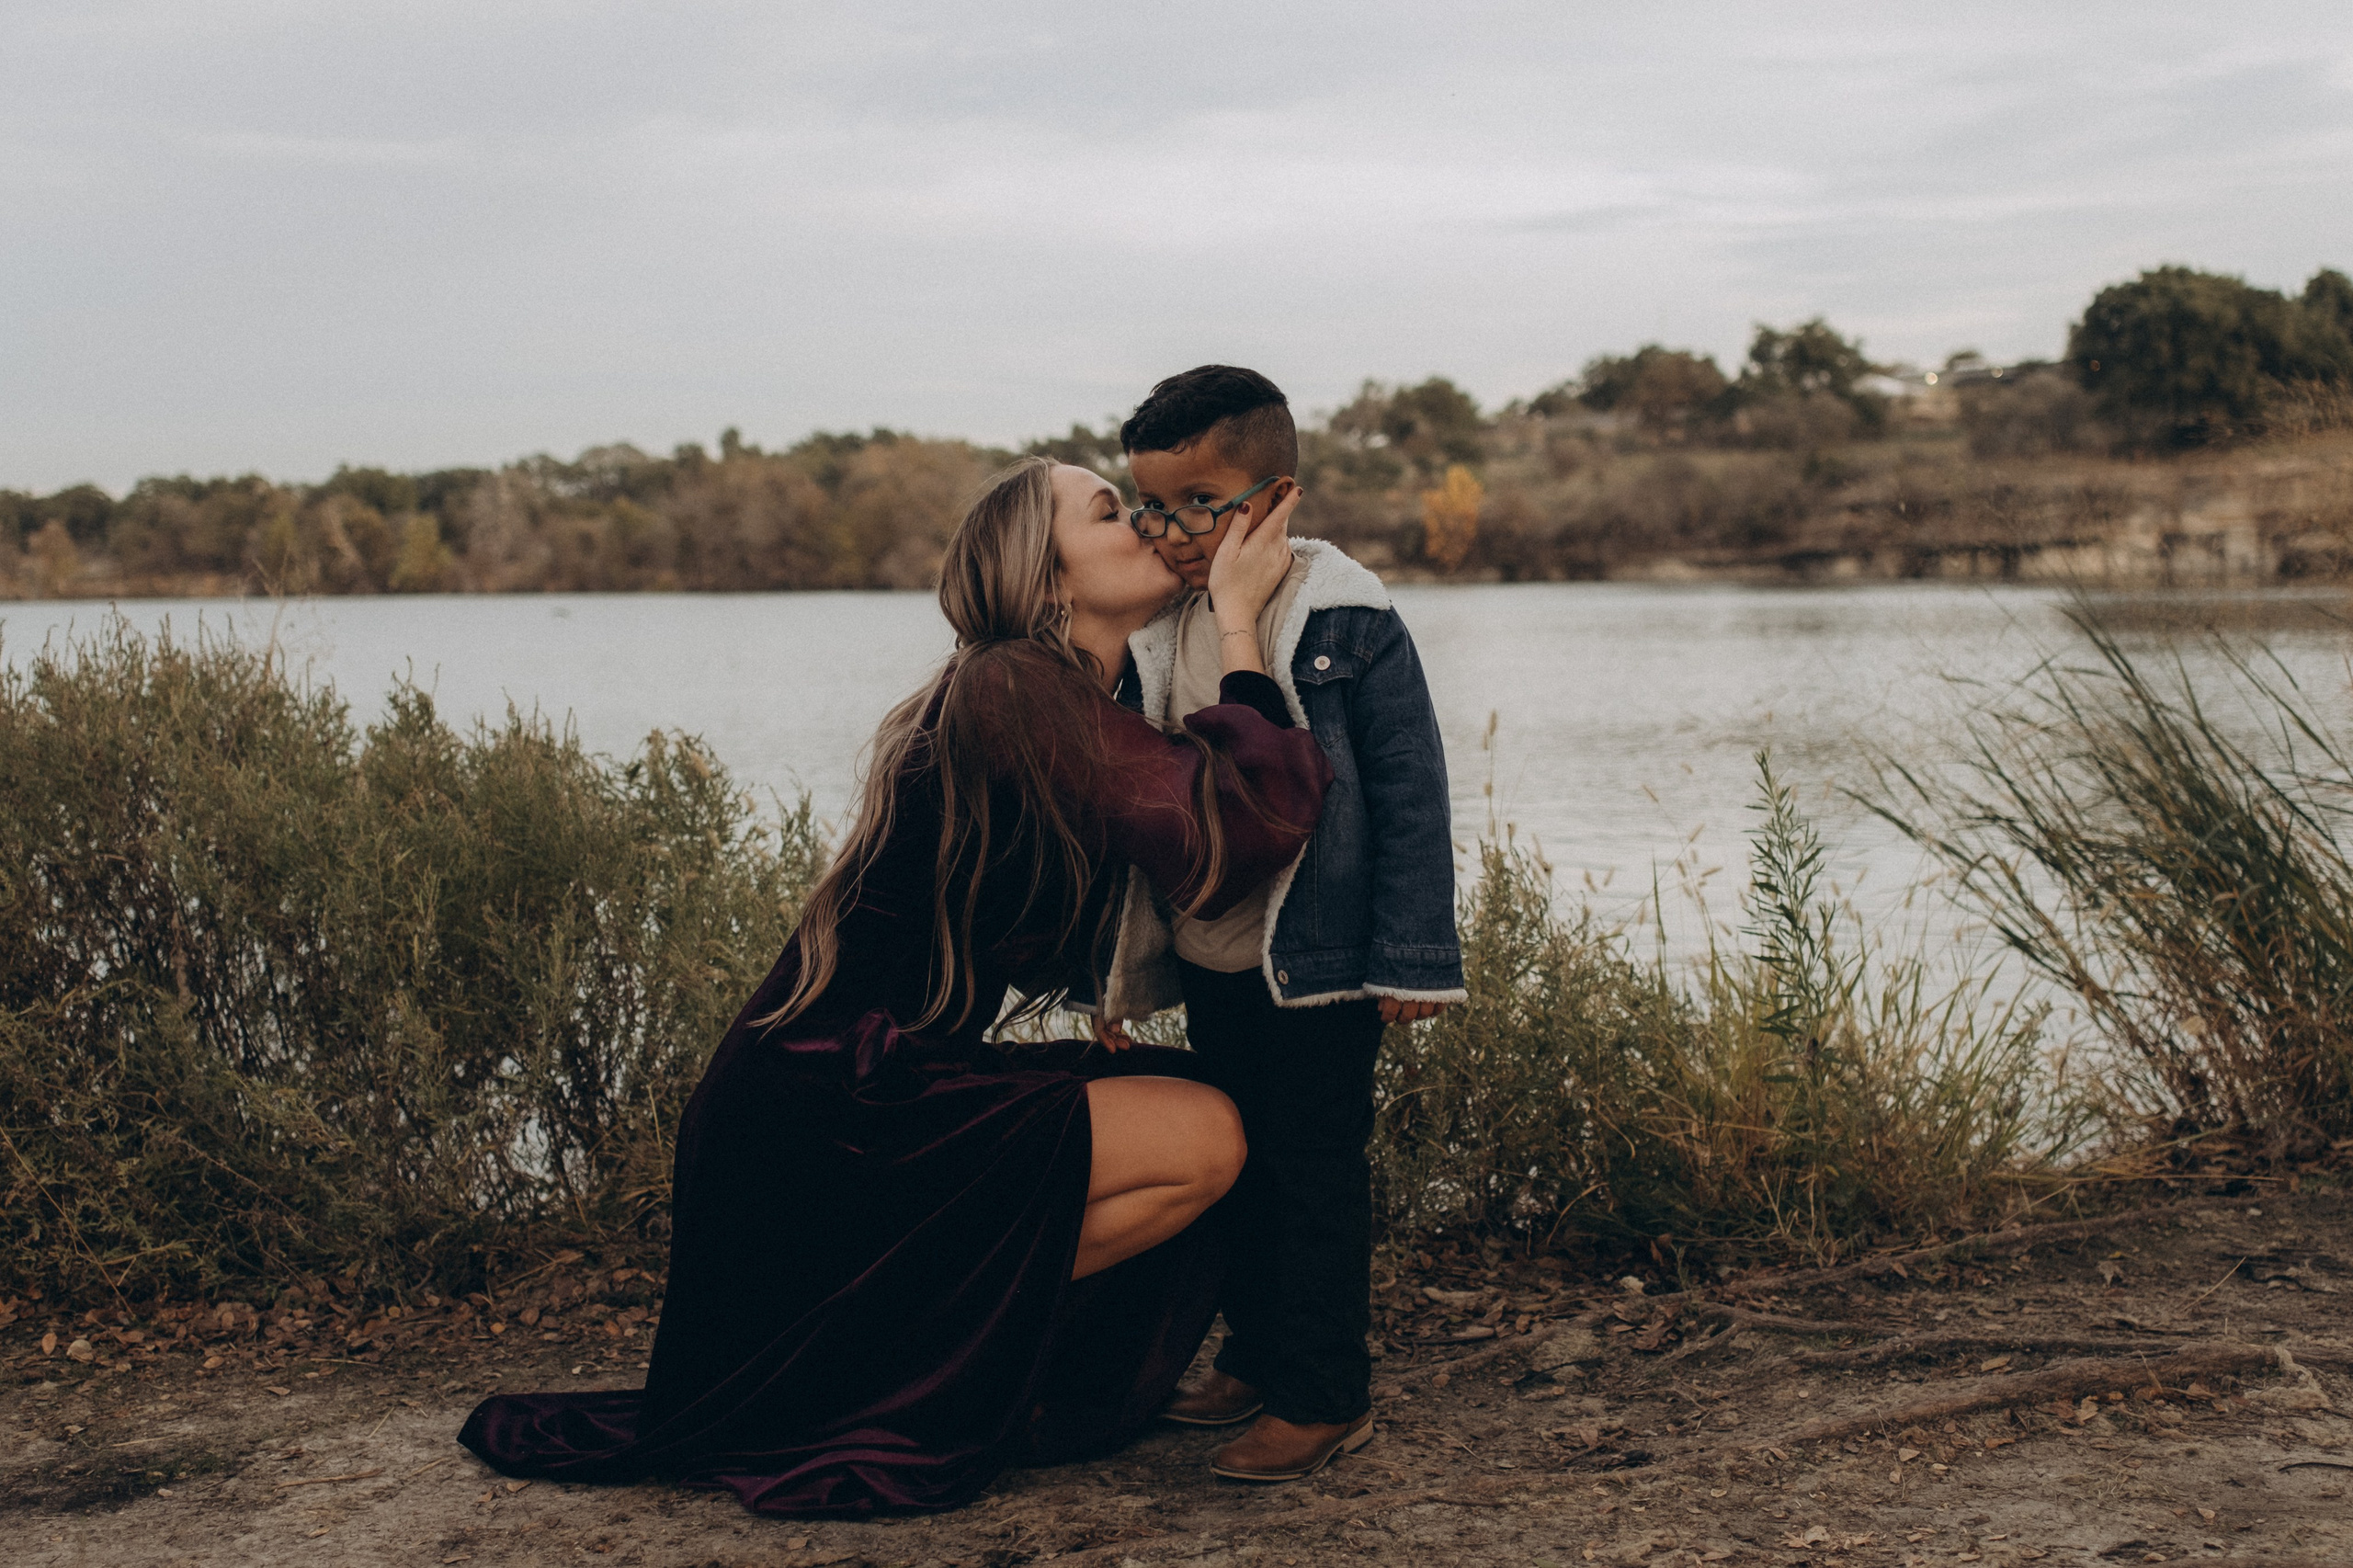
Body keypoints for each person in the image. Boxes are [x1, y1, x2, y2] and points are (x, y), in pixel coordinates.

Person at [459, 455, 1332, 1517]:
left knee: (1191, 1102)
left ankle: (897, 1351)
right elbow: (1232, 827)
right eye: (1110, 510)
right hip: (831, 1101)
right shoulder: (1012, 683)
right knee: (1205, 1134)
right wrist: (1239, 627)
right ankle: (891, 1363)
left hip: (864, 1078)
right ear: (1047, 577)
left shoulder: (1053, 693)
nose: (1148, 524)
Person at [1095, 365, 1463, 1483]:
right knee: (1240, 1161)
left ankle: (1322, 1393)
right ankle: (1254, 1354)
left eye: (1196, 504)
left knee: (1309, 1170)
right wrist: (1111, 976)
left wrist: (1412, 955)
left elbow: (1407, 789)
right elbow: (1139, 809)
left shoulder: (1343, 613)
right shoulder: (1158, 624)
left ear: (1272, 497)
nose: (1169, 530)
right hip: (1212, 954)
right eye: (1150, 504)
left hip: (1319, 961)